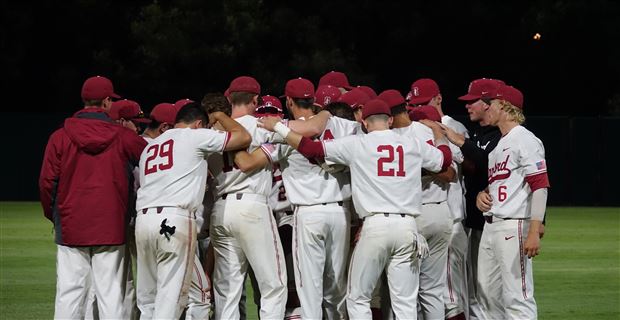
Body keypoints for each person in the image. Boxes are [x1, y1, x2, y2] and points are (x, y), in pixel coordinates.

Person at [260, 99, 453, 320]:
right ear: (389, 120)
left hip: (376, 226)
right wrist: (440, 136)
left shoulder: (358, 143)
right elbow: (445, 160)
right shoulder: (412, 144)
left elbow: (311, 148)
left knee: (358, 298)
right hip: (408, 227)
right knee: (405, 303)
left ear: (364, 121)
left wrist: (278, 126)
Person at [39, 75, 147, 320]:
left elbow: (46, 183)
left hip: (71, 222)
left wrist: (55, 216)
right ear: (107, 101)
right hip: (110, 223)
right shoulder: (123, 137)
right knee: (110, 293)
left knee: (69, 292)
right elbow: (151, 159)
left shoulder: (60, 136)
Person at [134, 103, 251, 320]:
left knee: (149, 299)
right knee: (171, 299)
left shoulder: (150, 146)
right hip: (173, 221)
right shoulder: (194, 136)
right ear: (198, 124)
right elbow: (243, 137)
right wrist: (219, 116)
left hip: (143, 221)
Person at [206, 76, 288, 320]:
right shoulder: (263, 126)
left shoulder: (213, 131)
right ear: (256, 100)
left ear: (229, 99)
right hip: (252, 206)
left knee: (227, 289)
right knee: (273, 285)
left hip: (221, 208)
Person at [474, 84, 549, 319]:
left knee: (518, 296)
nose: (488, 107)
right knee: (487, 294)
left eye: (492, 104)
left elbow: (540, 186)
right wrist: (481, 195)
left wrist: (534, 230)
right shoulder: (499, 146)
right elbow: (500, 183)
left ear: (505, 107)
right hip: (492, 225)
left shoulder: (525, 139)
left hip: (514, 224)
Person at [441, 78, 505, 319]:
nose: (468, 106)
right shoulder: (480, 132)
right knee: (478, 289)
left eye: (472, 102)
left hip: (497, 222)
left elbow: (488, 163)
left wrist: (460, 142)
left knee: (494, 291)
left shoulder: (503, 135)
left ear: (488, 103)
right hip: (476, 221)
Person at [409, 78, 470, 320]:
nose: (421, 108)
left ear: (439, 98)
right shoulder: (416, 128)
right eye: (416, 103)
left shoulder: (452, 127)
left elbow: (453, 172)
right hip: (429, 216)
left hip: (451, 218)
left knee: (450, 296)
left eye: (424, 102)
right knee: (428, 293)